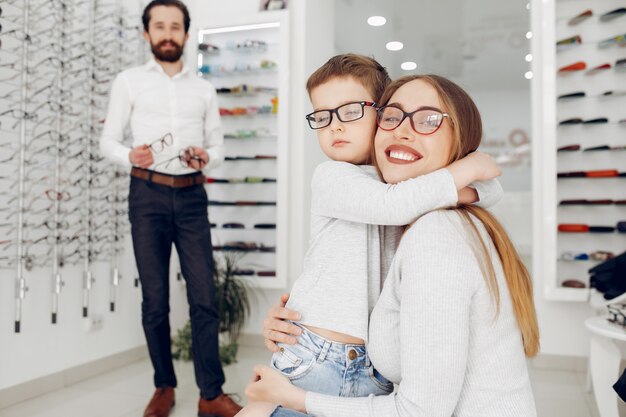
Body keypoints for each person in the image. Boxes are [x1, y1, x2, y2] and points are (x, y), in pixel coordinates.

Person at [243, 74, 540, 417]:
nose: (402, 130)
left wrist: (294, 398)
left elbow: (419, 411)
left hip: (368, 376)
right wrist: (303, 312)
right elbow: (396, 203)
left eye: (428, 120)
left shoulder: (433, 230)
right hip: (319, 351)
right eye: (393, 116)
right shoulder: (354, 183)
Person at [99, 1, 241, 417]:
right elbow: (108, 141)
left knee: (205, 298)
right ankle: (164, 387)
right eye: (159, 26)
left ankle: (210, 394)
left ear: (185, 33)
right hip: (147, 197)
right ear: (146, 34)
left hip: (193, 198)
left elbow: (219, 148)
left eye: (175, 27)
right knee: (155, 302)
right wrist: (131, 157)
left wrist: (206, 157)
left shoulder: (204, 88)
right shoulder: (128, 82)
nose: (167, 33)